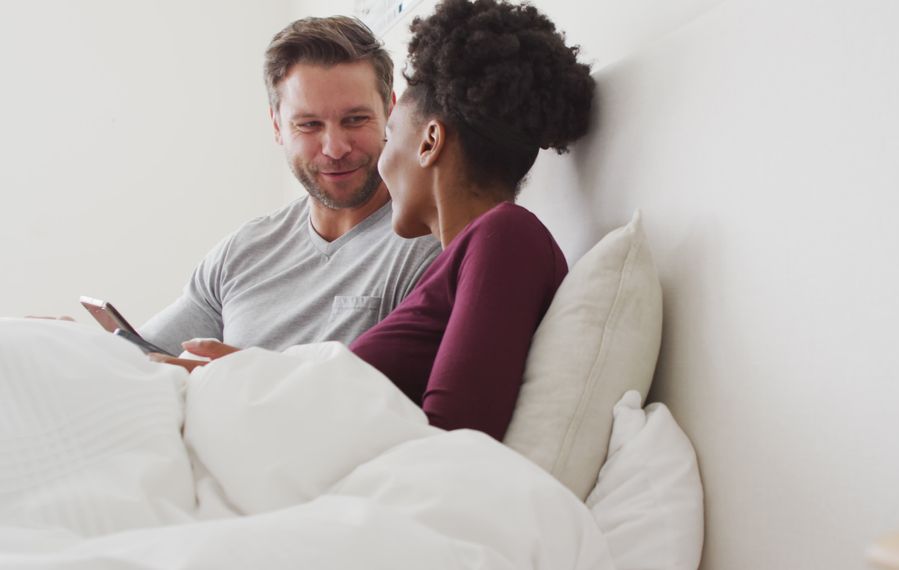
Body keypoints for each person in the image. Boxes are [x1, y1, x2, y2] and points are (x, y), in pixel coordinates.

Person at [172, 0, 595, 442]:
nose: (371, 159)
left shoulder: (506, 238)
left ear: (429, 142)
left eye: (386, 132)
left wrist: (249, 390)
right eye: (309, 125)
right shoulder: (473, 255)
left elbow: (456, 442)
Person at [140, 16, 441, 357]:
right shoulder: (241, 253)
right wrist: (81, 346)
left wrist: (249, 375)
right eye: (309, 125)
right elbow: (139, 355)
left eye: (355, 120)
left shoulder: (428, 244)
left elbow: (397, 397)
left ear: (390, 112)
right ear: (277, 126)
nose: (335, 148)